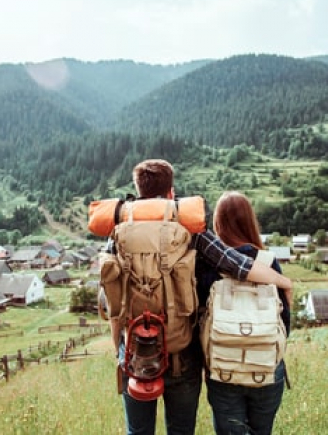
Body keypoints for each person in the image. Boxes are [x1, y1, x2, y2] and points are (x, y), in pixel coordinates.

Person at [105, 159, 292, 435]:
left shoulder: (117, 235)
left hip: (135, 351)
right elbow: (236, 264)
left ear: (138, 193)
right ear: (171, 192)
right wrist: (281, 281)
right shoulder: (190, 230)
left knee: (138, 431)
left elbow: (109, 298)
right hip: (182, 353)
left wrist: (118, 347)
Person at [197, 191, 292, 435]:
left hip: (223, 367)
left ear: (218, 223)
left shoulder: (208, 263)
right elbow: (284, 325)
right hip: (266, 367)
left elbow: (199, 318)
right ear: (251, 221)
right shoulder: (268, 262)